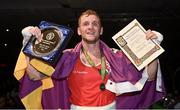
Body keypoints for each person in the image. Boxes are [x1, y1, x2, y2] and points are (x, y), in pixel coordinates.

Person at [14, 9, 166, 109]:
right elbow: (34, 76)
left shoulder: (117, 55)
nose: (90, 27)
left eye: (95, 24)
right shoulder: (66, 57)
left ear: (101, 30)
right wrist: (29, 46)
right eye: (85, 24)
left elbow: (150, 76)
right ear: (79, 31)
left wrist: (152, 48)